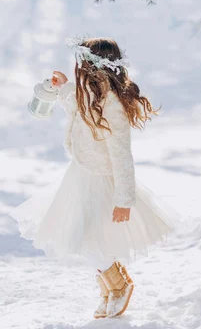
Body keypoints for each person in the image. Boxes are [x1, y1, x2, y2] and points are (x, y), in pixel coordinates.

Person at [11, 37, 177, 319]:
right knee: (82, 237)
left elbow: (122, 155)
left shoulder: (112, 105)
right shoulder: (87, 92)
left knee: (89, 239)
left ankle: (118, 285)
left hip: (101, 181)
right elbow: (73, 107)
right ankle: (109, 287)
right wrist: (61, 86)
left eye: (82, 64)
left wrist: (124, 198)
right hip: (79, 175)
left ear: (95, 67)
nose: (79, 69)